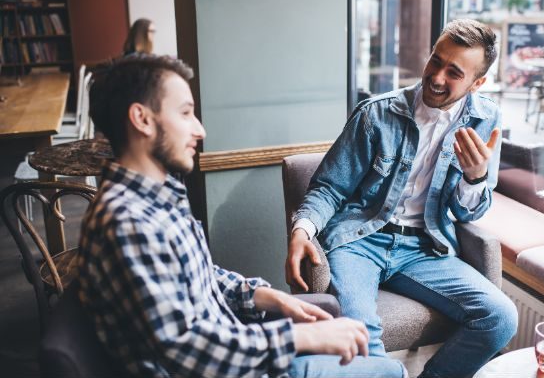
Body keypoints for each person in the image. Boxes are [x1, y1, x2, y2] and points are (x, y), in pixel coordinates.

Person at [77, 54, 406, 378]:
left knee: (385, 368)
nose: (199, 129)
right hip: (228, 367)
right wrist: (299, 337)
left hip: (242, 352)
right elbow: (185, 349)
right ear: (142, 119)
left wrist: (265, 295)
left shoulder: (153, 197)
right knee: (392, 372)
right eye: (186, 113)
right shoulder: (128, 222)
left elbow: (195, 277)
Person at [286, 19, 519, 378]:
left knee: (501, 318)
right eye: (435, 61)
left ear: (478, 83)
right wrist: (302, 229)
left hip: (427, 248)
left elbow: (469, 210)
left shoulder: (485, 120)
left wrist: (475, 178)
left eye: (454, 72)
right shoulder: (376, 114)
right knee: (361, 338)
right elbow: (329, 187)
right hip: (359, 241)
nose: (437, 76)